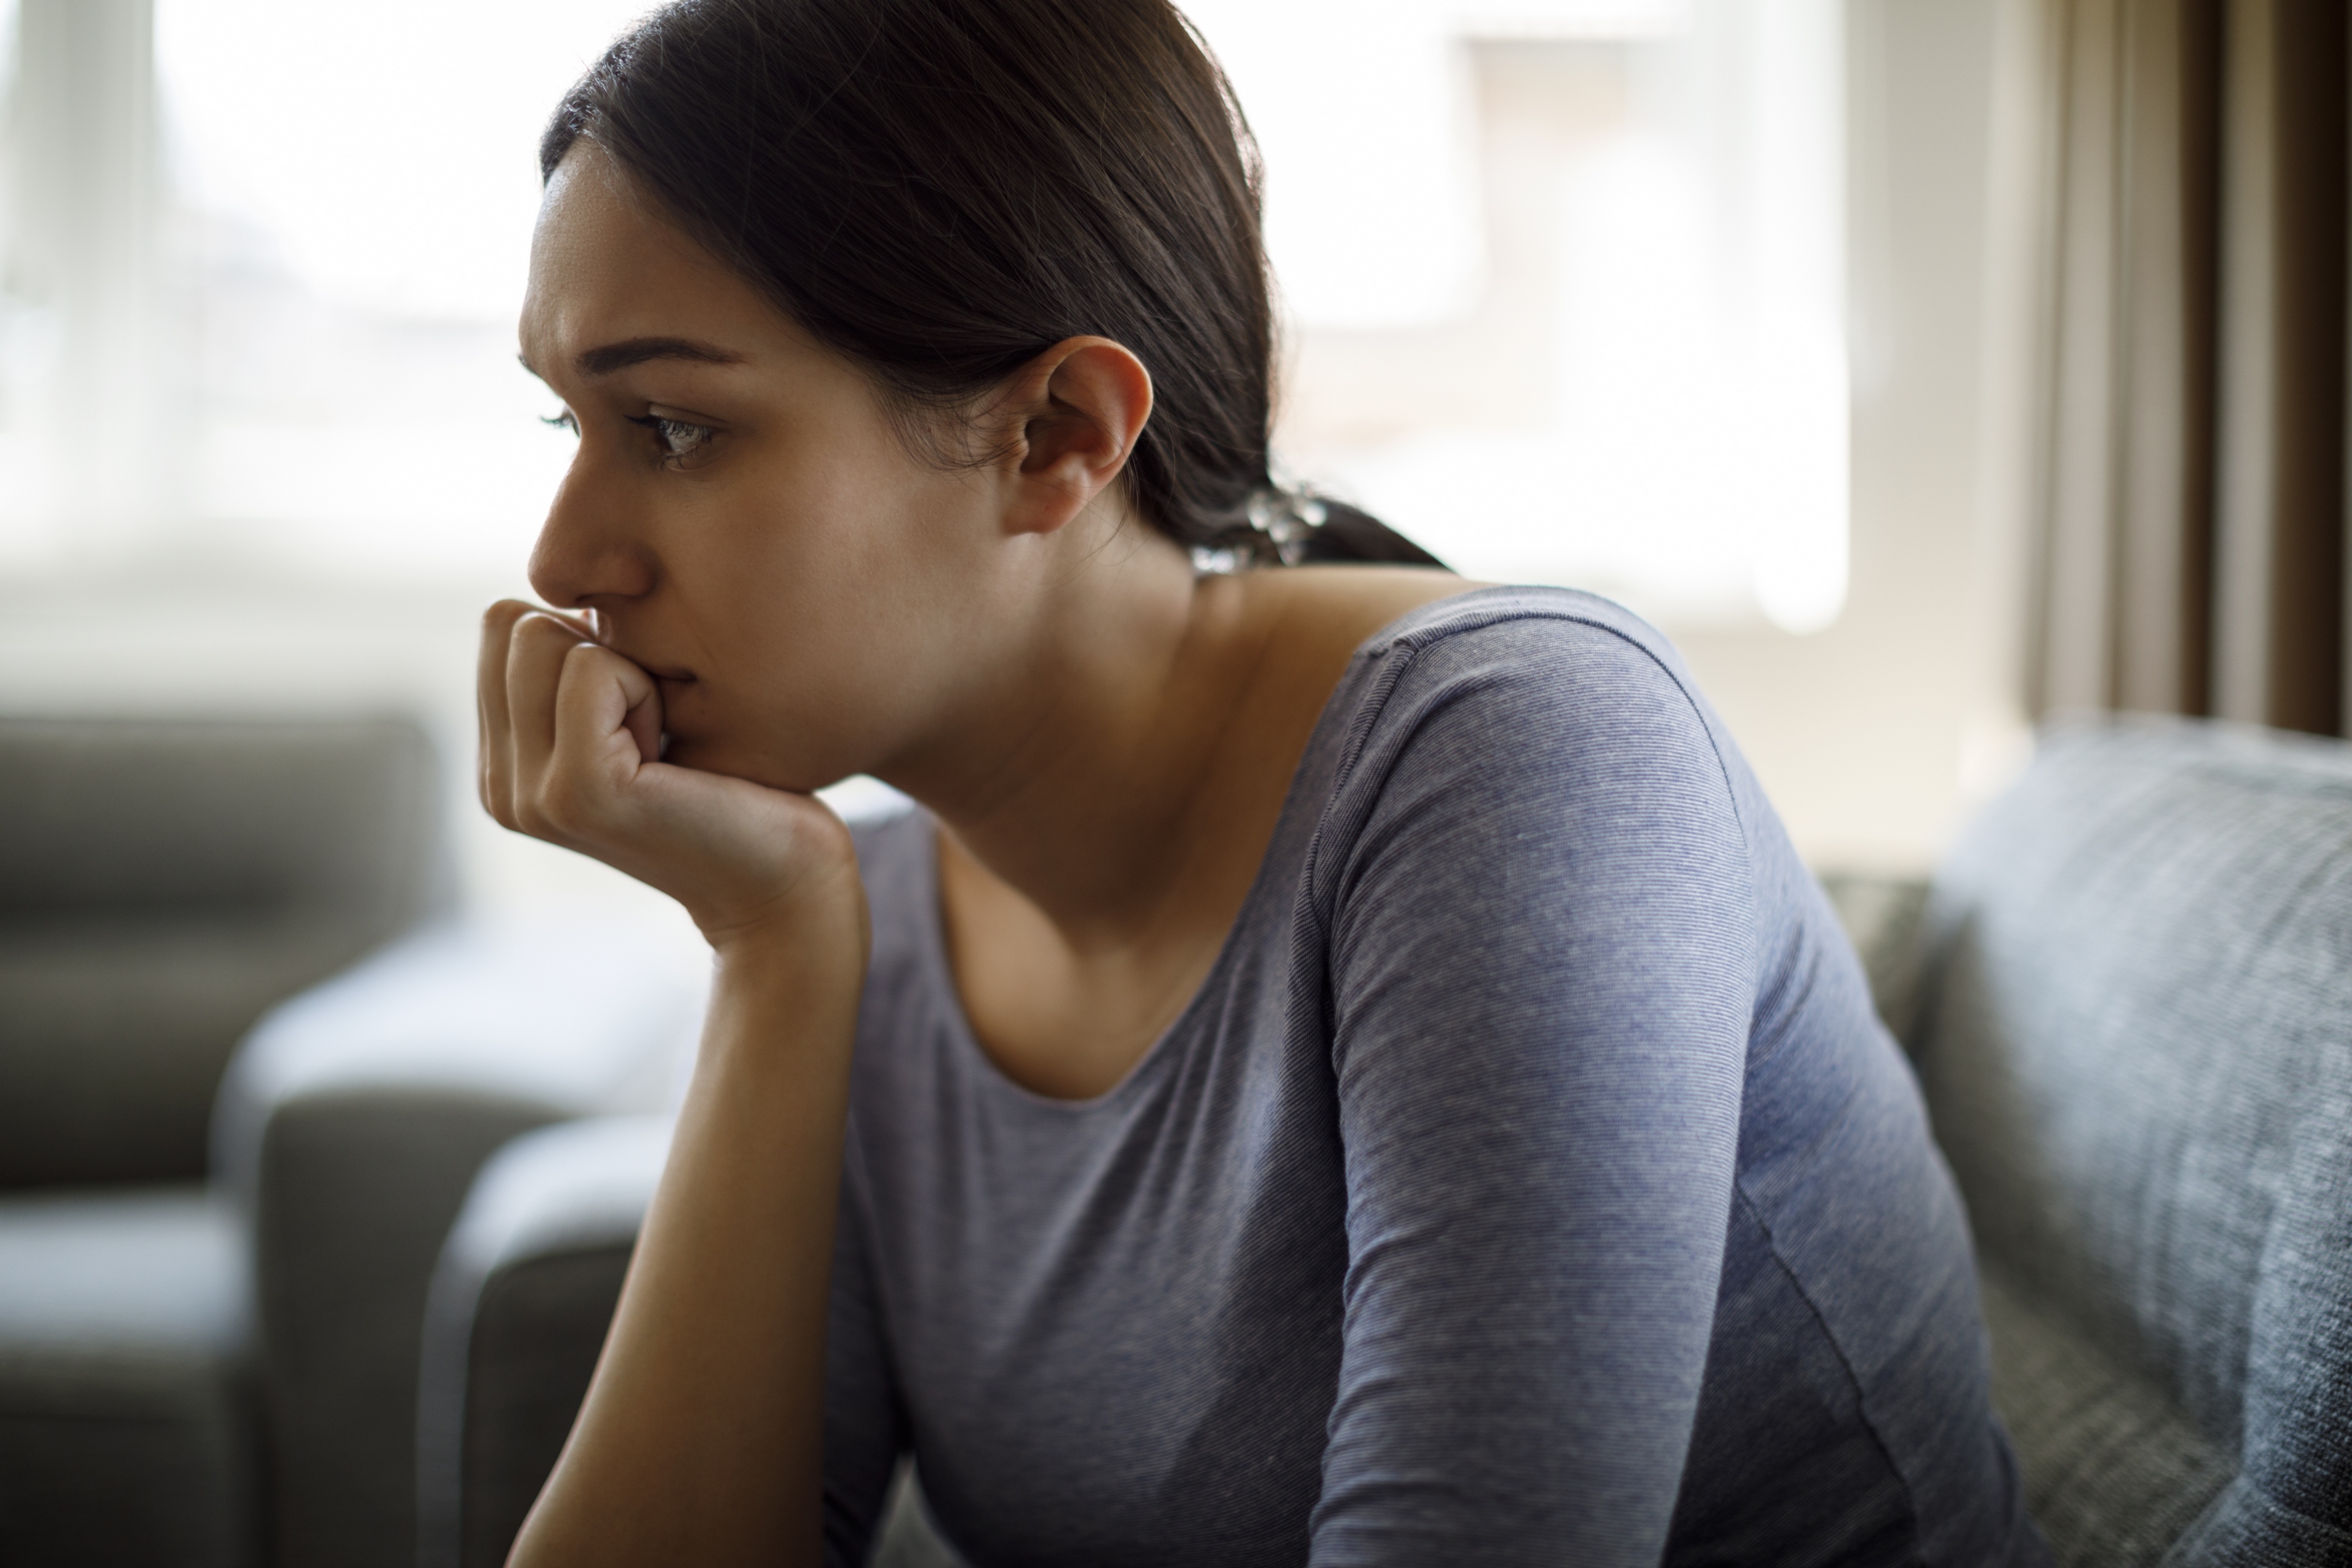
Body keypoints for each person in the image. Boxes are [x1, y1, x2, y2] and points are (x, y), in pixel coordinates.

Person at [477, 1, 2047, 1563]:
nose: (562, 556)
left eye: (672, 425)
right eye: (566, 420)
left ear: (1056, 435)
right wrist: (774, 958)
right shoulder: (867, 911)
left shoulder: (1516, 755)